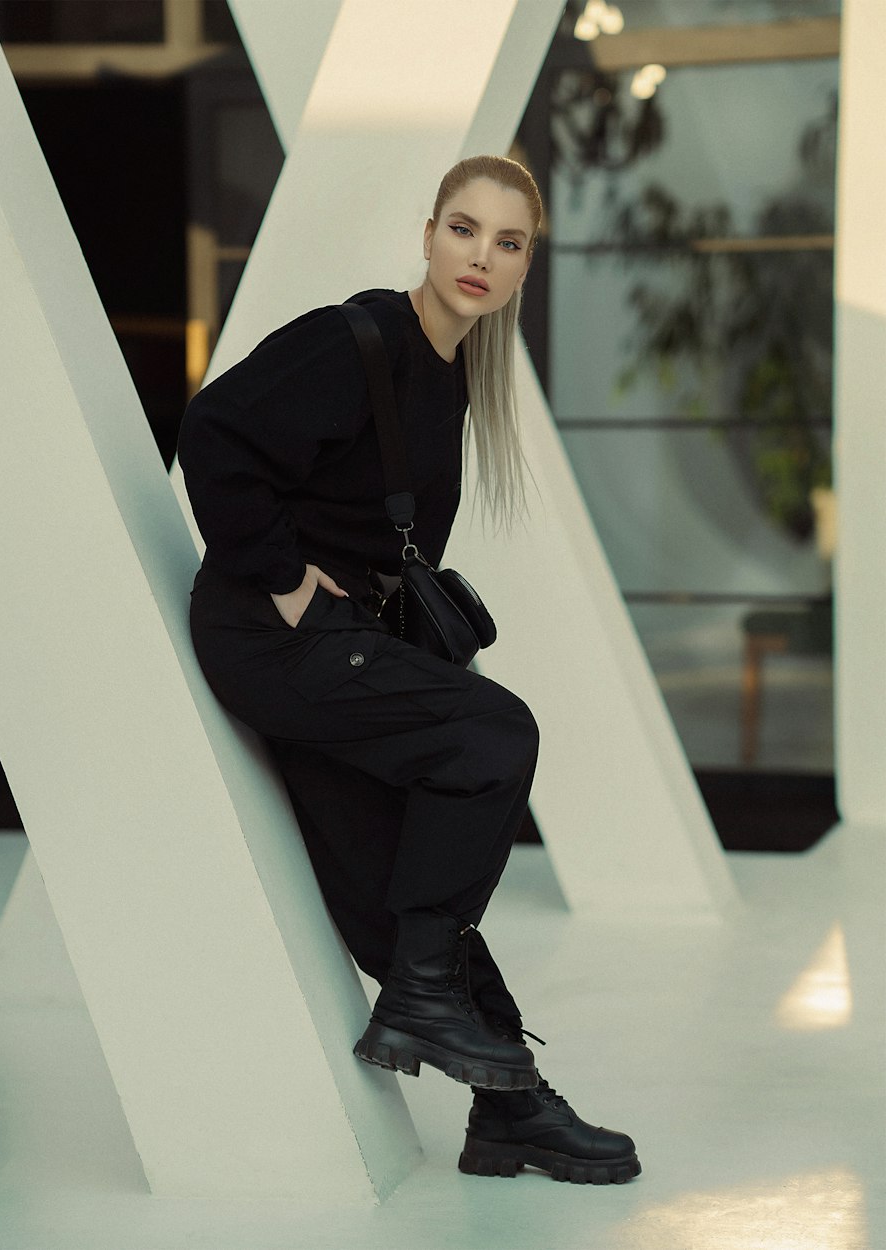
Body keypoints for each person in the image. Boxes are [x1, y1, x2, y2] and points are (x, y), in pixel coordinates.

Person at [178, 155, 640, 1184]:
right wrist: (283, 572)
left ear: (526, 266)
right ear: (428, 234)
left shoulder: (450, 377)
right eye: (464, 230)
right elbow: (212, 430)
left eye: (507, 242)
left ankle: (509, 1107)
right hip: (271, 637)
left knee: (402, 908)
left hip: (340, 653)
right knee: (495, 733)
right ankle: (427, 1002)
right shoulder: (359, 340)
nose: (481, 256)